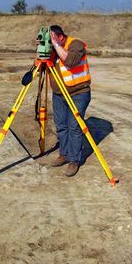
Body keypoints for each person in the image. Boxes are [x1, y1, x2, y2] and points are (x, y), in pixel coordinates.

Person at [44, 24, 91, 177]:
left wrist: (56, 45)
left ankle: (74, 160)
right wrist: (43, 48)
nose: (50, 41)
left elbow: (70, 61)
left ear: (60, 37)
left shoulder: (76, 44)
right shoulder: (53, 48)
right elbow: (43, 66)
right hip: (59, 95)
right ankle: (64, 154)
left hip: (78, 94)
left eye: (52, 37)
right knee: (61, 126)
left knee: (74, 127)